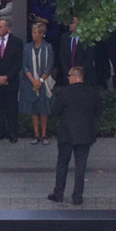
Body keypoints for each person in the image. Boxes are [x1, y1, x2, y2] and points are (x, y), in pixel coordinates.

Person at [48, 65, 100, 204]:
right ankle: (77, 197)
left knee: (62, 163)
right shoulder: (92, 93)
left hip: (66, 134)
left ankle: (58, 193)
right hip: (85, 134)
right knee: (81, 166)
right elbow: (97, 113)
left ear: (75, 77)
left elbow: (55, 112)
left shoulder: (64, 92)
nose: (68, 78)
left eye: (69, 76)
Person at [21, 19, 57, 144]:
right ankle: (36, 134)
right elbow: (25, 65)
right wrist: (33, 80)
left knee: (43, 110)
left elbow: (50, 65)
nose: (33, 35)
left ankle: (44, 134)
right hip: (31, 83)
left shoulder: (48, 47)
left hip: (43, 83)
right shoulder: (27, 47)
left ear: (42, 34)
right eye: (33, 32)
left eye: (36, 33)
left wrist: (40, 81)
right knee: (34, 110)